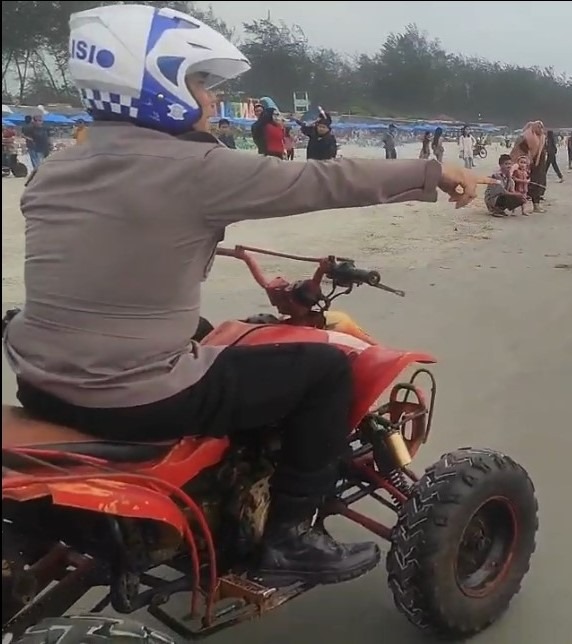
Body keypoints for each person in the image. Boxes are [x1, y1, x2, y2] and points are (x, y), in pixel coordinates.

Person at [4, 3, 491, 589]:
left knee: (208, 334)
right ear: (156, 87)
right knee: (325, 373)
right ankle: (289, 538)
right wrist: (434, 173)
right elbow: (322, 181)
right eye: (200, 83)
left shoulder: (57, 167)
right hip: (131, 396)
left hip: (37, 378)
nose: (212, 98)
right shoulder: (197, 168)